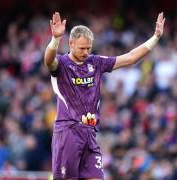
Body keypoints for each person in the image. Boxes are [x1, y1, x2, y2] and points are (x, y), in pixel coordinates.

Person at [44, 12, 165, 180]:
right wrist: (55, 39)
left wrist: (156, 37)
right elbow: (48, 61)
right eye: (82, 48)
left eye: (88, 48)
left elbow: (130, 58)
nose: (86, 52)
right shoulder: (62, 64)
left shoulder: (96, 62)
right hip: (68, 132)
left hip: (90, 133)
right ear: (71, 44)